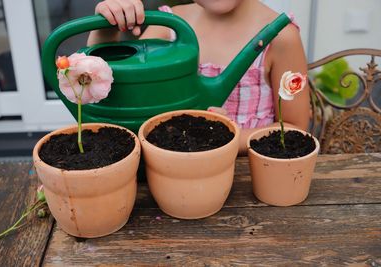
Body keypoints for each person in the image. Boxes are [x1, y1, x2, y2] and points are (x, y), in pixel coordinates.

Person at [87, 0, 310, 155]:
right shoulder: (168, 26)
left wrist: (226, 136)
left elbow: (295, 127)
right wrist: (107, 27)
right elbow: (114, 87)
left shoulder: (281, 36)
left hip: (247, 174)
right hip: (174, 171)